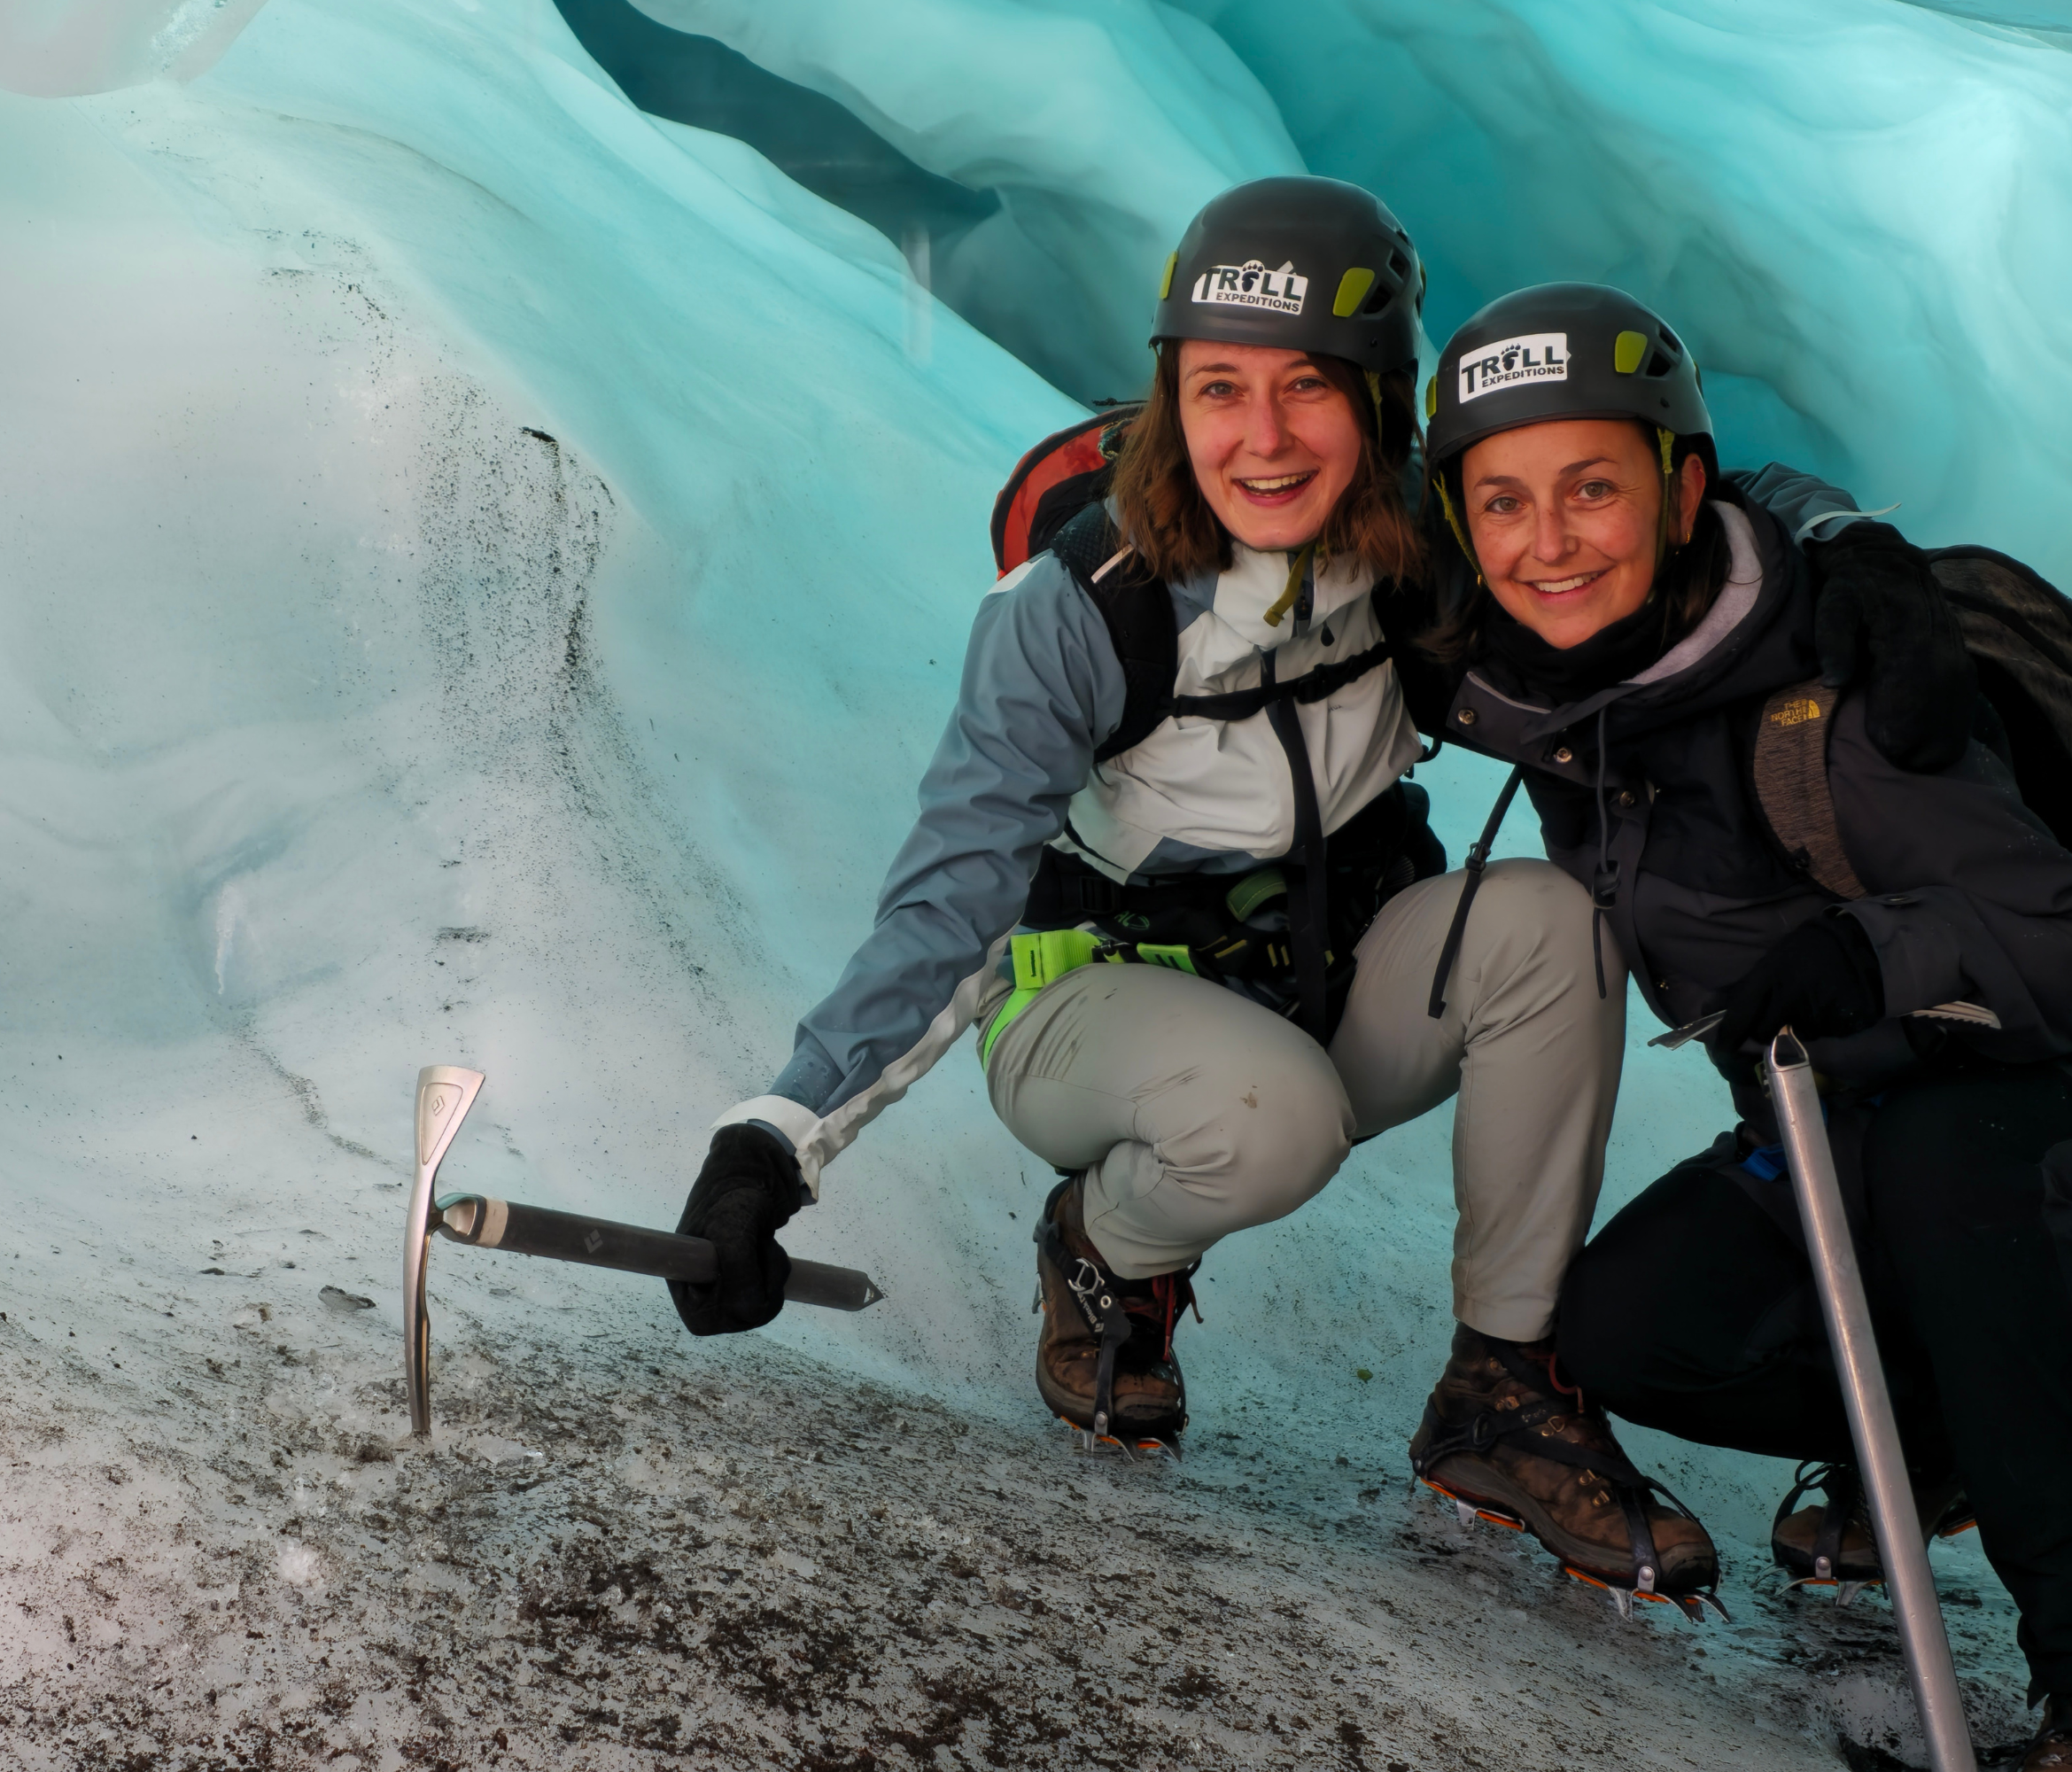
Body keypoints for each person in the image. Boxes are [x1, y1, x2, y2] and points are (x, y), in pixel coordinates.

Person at [660, 178, 1718, 1602]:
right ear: (1173, 395)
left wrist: (1835, 552)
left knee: (1552, 927)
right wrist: (769, 1148)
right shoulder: (1083, 613)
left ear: (1383, 402)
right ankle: (1101, 1254)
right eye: (1221, 388)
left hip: (1322, 980)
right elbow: (951, 902)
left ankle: (1501, 1388)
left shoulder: (1418, 559)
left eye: (1308, 392)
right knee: (1273, 1118)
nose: (1263, 439)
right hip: (1088, 1018)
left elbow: (1640, 530)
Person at [1415, 283, 2072, 1768]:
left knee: (1955, 1165)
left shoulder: (1839, 690)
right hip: (1840, 1137)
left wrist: (1869, 954)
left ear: (1683, 490)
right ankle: (1949, 1428)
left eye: (1593, 488)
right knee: (1632, 1327)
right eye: (1504, 502)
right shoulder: (1541, 693)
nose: (1548, 542)